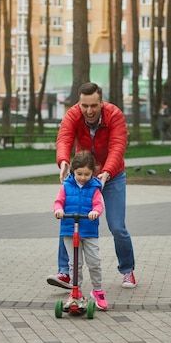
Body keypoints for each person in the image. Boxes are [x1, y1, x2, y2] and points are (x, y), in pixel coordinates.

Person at [47, 81, 137, 289]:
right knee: (69, 219)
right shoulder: (73, 115)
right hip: (81, 176)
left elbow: (117, 147)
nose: (89, 111)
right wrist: (63, 162)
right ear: (79, 103)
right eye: (84, 106)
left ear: (101, 102)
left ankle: (127, 270)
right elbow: (64, 139)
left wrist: (106, 173)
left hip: (112, 175)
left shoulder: (114, 115)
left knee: (117, 226)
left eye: (93, 106)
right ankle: (64, 273)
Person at [53, 150, 107, 310]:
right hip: (69, 229)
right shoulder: (66, 186)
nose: (83, 177)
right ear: (73, 171)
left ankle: (98, 291)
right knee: (74, 263)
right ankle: (75, 292)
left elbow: (99, 204)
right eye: (79, 174)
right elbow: (58, 202)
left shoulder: (94, 188)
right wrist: (58, 210)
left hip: (89, 230)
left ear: (92, 173)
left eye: (87, 174)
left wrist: (95, 212)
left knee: (94, 262)